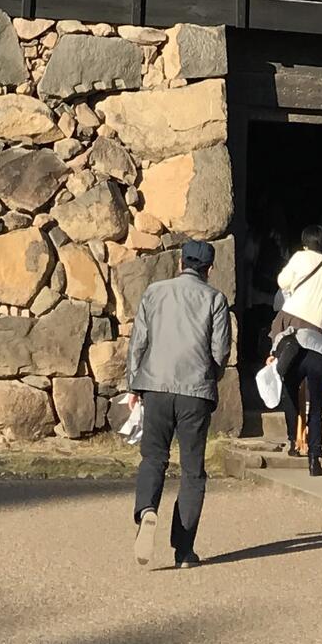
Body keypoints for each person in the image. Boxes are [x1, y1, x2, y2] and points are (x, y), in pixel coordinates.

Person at [128, 237, 233, 570]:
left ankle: (147, 509)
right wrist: (209, 377)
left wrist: (135, 383)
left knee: (153, 458)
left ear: (180, 262)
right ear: (210, 269)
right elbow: (220, 351)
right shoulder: (216, 299)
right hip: (195, 392)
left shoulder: (154, 292)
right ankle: (184, 550)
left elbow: (139, 341)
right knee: (192, 472)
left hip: (156, 386)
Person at [272, 226, 322, 475]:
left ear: (304, 241)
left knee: (290, 389)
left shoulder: (299, 258)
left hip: (293, 336)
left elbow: (282, 281)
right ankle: (314, 459)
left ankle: (293, 441)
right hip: (318, 341)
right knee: (317, 405)